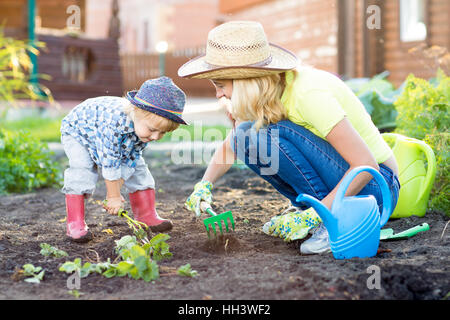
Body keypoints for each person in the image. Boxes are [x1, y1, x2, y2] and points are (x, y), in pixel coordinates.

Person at [178, 21, 400, 254]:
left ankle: (329, 219)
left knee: (267, 135)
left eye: (221, 85)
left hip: (375, 191)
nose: (218, 94)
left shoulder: (308, 94)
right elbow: (233, 144)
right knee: (244, 135)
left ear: (246, 82)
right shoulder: (271, 91)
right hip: (352, 185)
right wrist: (204, 185)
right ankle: (310, 208)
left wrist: (315, 216)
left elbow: (365, 165)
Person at [60, 76, 187, 242]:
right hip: (79, 131)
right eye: (152, 130)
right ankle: (75, 223)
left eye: (163, 133)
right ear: (135, 112)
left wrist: (115, 192)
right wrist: (113, 196)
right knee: (82, 170)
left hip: (105, 133)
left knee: (139, 170)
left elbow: (130, 161)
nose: (156, 136)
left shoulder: (143, 130)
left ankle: (146, 215)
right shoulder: (114, 124)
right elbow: (110, 162)